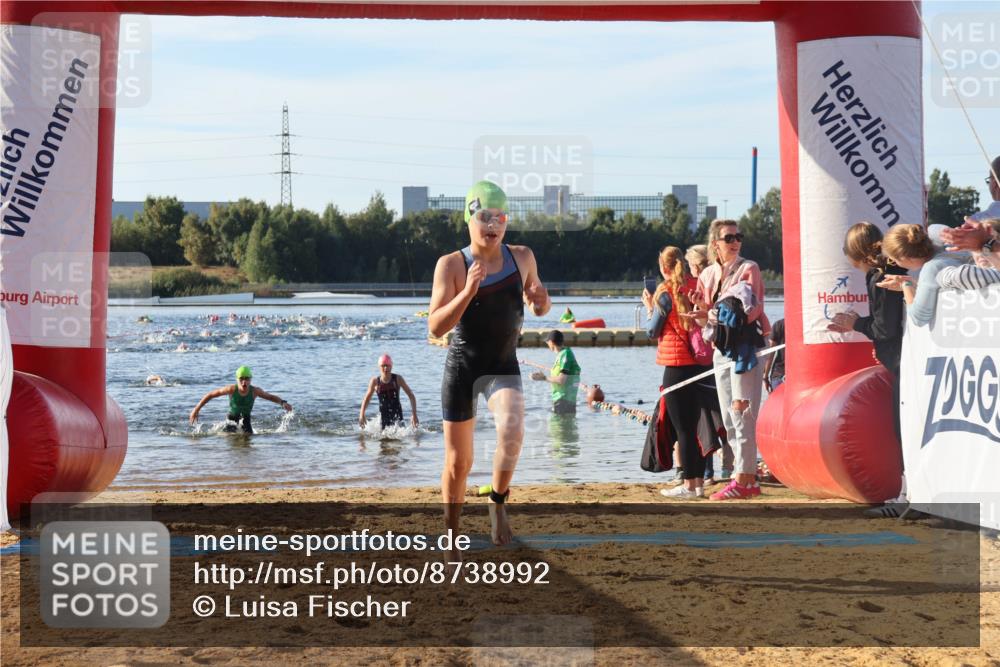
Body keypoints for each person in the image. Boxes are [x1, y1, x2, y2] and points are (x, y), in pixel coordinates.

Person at [428, 181, 550, 553]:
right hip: (463, 366)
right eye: (485, 216)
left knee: (513, 433)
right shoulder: (451, 265)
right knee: (457, 463)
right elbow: (435, 326)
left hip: (502, 364)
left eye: (500, 217)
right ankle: (451, 531)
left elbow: (540, 305)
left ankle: (497, 501)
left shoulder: (522, 257)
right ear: (470, 217)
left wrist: (541, 300)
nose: (493, 224)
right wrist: (467, 292)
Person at [683, 219, 769, 500]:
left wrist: (725, 312)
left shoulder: (748, 268)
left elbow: (753, 309)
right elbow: (709, 315)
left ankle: (745, 478)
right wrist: (702, 311)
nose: (735, 241)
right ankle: (743, 477)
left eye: (738, 237)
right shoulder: (708, 274)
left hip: (745, 346)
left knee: (742, 410)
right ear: (715, 244)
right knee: (730, 415)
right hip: (721, 347)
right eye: (729, 237)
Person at [828, 222, 907, 516]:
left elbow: (885, 327)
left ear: (854, 253)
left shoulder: (880, 276)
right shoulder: (890, 270)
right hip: (905, 359)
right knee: (905, 428)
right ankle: (909, 494)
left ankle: (907, 496)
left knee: (904, 429)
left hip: (904, 362)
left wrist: (856, 325)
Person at [642, 246, 706, 499]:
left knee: (683, 429)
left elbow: (651, 331)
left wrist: (649, 307)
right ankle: (699, 482)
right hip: (700, 364)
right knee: (696, 427)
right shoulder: (695, 285)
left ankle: (689, 485)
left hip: (676, 366)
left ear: (663, 268)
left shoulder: (664, 292)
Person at [686, 244, 732, 485]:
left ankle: (707, 472)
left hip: (702, 359)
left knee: (702, 420)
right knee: (723, 415)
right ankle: (730, 466)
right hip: (718, 355)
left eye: (691, 266)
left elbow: (695, 324)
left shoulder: (699, 286)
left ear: (695, 265)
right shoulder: (719, 280)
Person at [876, 224, 973, 327]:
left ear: (904, 258)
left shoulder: (931, 268)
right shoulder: (942, 238)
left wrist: (906, 285)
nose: (895, 263)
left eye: (893, 260)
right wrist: (915, 284)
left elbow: (918, 318)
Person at [189, 365, 292, 433]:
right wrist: (196, 410)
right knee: (231, 442)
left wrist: (282, 403)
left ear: (250, 379)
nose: (244, 382)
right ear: (237, 379)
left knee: (248, 443)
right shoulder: (231, 389)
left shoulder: (255, 391)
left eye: (247, 379)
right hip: (231, 421)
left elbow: (269, 396)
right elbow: (211, 394)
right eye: (241, 379)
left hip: (246, 420)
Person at [358, 354, 419, 429]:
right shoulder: (375, 382)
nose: (385, 368)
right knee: (383, 438)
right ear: (379, 367)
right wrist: (362, 414)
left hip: (398, 417)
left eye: (387, 365)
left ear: (391, 366)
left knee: (401, 437)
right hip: (384, 417)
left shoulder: (398, 379)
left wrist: (414, 415)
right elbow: (366, 399)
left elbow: (411, 395)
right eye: (383, 366)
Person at [531, 330, 581, 414]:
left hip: (563, 400)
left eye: (547, 342)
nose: (547, 344)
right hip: (565, 400)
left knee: (557, 426)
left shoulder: (565, 354)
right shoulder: (562, 354)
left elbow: (561, 380)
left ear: (551, 342)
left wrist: (543, 378)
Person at [763, 318, 785, 392]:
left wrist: (765, 377)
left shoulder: (778, 324)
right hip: (797, 376)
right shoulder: (805, 325)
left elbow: (770, 354)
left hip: (778, 374)